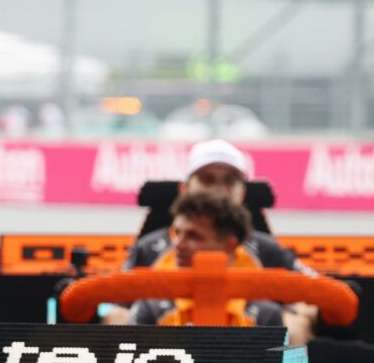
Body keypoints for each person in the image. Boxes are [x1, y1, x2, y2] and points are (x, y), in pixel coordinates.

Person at [101, 138, 313, 325]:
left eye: (229, 181)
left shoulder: (267, 250)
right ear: (184, 189)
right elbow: (106, 301)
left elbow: (313, 295)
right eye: (207, 179)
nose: (218, 189)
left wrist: (291, 320)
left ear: (242, 192)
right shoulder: (149, 248)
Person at [125, 189, 315, 344]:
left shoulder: (267, 316)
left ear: (229, 245)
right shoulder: (148, 308)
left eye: (193, 236)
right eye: (178, 233)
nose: (177, 245)